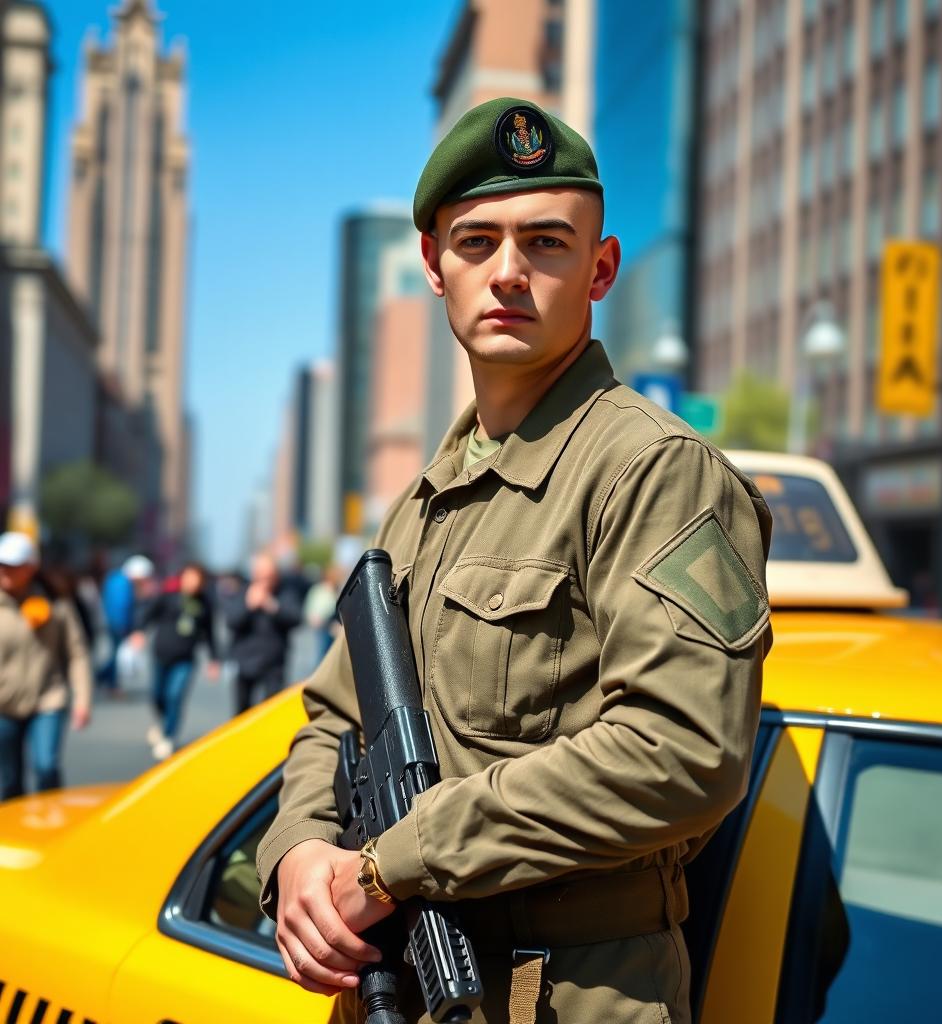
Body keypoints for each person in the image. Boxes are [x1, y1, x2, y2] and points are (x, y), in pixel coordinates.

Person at [255, 98, 772, 1023]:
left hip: (565, 990)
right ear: (432, 264)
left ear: (600, 268)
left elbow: (684, 752)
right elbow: (333, 717)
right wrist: (297, 851)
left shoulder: (654, 471)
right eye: (475, 242)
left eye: (545, 243)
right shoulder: (429, 497)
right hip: (396, 984)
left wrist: (393, 864)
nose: (507, 275)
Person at [0, 532, 92, 799]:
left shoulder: (55, 602)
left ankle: (51, 829)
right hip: (4, 705)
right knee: (8, 780)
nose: (5, 570)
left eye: (13, 565)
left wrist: (82, 699)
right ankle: (14, 835)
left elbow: (77, 653)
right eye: (1, 564)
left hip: (48, 699)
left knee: (46, 767)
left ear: (31, 567)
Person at [133, 562, 220, 760]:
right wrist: (139, 631)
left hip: (185, 659)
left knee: (175, 695)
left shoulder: (205, 604)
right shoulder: (168, 596)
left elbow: (210, 633)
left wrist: (214, 660)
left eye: (197, 579)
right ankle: (162, 722)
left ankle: (168, 736)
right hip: (161, 654)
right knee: (157, 695)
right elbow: (148, 614)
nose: (192, 583)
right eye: (189, 577)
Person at [225, 553, 302, 715]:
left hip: (274, 664)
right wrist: (248, 606)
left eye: (270, 577)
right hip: (245, 661)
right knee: (241, 712)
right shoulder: (242, 591)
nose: (266, 581)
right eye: (262, 576)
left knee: (270, 711)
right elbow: (231, 622)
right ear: (254, 575)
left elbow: (296, 618)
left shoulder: (285, 592)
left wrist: (272, 605)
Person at [97, 553, 155, 695]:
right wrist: (125, 629)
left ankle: (103, 678)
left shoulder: (117, 580)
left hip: (115, 623)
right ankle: (109, 682)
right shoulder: (122, 583)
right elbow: (121, 606)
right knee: (117, 656)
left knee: (116, 654)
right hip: (119, 625)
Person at [302, 564, 342, 663]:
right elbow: (311, 609)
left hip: (331, 628)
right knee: (321, 655)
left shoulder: (335, 591)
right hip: (321, 627)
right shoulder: (319, 590)